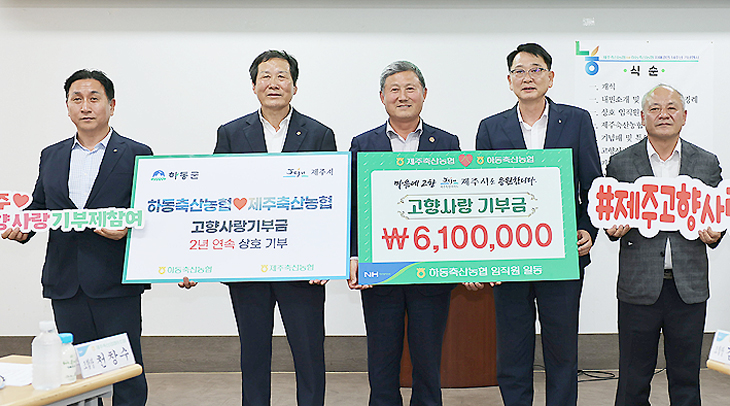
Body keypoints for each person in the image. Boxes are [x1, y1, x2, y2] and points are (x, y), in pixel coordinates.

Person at [181, 49, 335, 406]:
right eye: (266, 76)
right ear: (253, 86)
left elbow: (331, 199)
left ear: (294, 86)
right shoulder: (232, 133)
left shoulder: (319, 134)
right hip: (247, 265)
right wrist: (195, 259)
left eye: (282, 76)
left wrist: (326, 257)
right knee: (253, 354)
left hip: (302, 267)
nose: (273, 83)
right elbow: (216, 198)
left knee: (309, 353)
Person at [1, 69, 151, 406]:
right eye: (77, 99)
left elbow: (147, 210)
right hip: (65, 280)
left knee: (125, 371)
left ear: (111, 105)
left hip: (114, 280)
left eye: (94, 98)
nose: (85, 106)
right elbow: (40, 205)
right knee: (75, 374)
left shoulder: (136, 153)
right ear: (67, 106)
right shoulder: (51, 155)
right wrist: (21, 227)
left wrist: (127, 229)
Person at [473, 43, 602, 406]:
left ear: (550, 77)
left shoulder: (576, 120)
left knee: (562, 348)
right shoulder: (491, 128)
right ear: (509, 80)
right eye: (519, 71)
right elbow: (481, 193)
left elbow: (593, 183)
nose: (527, 77)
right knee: (512, 348)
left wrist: (588, 230)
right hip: (508, 256)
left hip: (562, 253)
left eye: (535, 69)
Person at [348, 60, 460, 406]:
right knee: (382, 358)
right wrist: (355, 255)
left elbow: (459, 205)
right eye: (394, 89)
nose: (402, 96)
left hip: (431, 270)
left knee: (428, 358)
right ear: (382, 97)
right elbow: (353, 206)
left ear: (424, 94)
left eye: (410, 88)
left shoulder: (446, 142)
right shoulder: (363, 144)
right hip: (380, 270)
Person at [605, 84, 722, 406]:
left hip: (688, 288)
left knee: (686, 377)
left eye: (671, 108)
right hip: (638, 286)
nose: (663, 114)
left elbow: (718, 215)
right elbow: (610, 219)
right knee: (632, 377)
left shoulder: (706, 163)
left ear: (684, 116)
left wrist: (716, 234)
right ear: (642, 117)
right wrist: (612, 230)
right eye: (655, 108)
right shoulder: (621, 163)